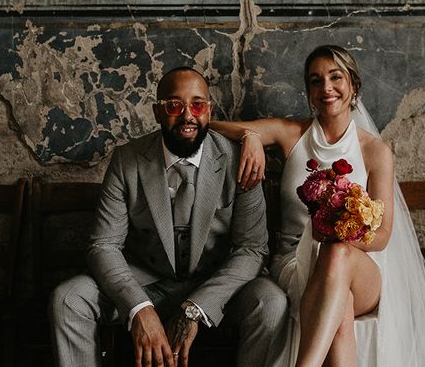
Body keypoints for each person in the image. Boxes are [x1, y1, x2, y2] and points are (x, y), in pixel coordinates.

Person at [212, 45, 425, 367]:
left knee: (337, 253)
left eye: (336, 77)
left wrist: (336, 235)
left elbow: (383, 235)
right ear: (308, 90)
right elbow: (211, 127)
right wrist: (250, 135)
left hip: (363, 269)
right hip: (296, 264)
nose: (326, 88)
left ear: (353, 85)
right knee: (340, 306)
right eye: (316, 81)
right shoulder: (291, 134)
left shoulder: (375, 151)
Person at [50, 66, 288, 367]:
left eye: (197, 105)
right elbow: (103, 245)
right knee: (68, 299)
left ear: (209, 111)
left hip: (215, 281)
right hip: (145, 281)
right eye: (174, 105)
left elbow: (252, 250)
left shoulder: (240, 160)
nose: (188, 115)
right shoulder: (128, 160)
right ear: (158, 112)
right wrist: (138, 306)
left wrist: (196, 308)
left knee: (271, 303)